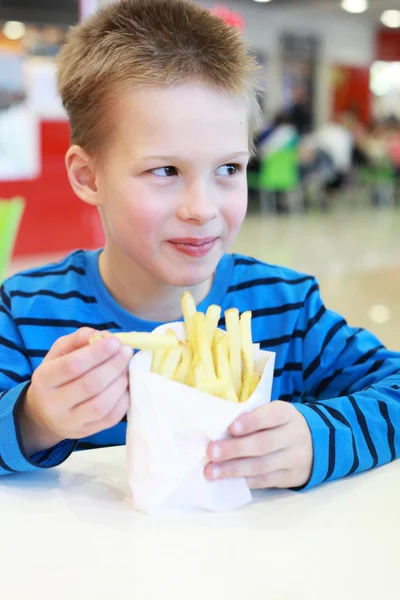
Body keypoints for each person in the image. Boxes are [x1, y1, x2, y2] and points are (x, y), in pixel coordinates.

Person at [0, 0, 399, 492]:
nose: (202, 208)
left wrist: (318, 438)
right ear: (88, 176)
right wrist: (33, 417)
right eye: (165, 170)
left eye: (228, 169)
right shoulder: (24, 312)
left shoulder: (287, 308)